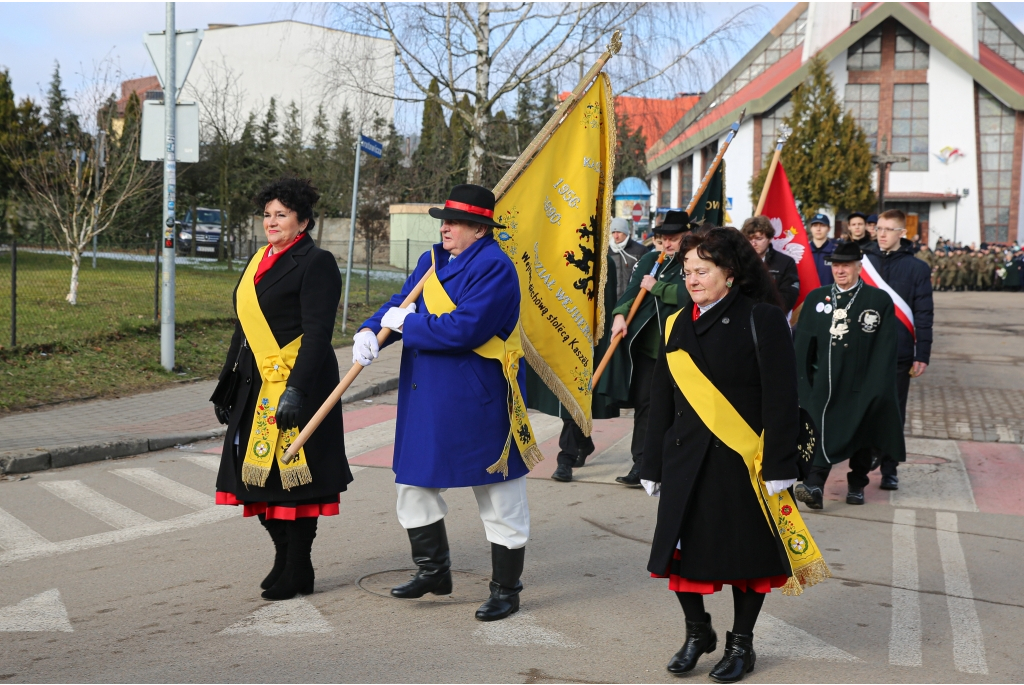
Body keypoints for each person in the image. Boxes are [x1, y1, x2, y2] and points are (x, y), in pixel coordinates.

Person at [356, 184, 539, 622]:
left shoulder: (497, 267)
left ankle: (506, 590)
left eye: (454, 222)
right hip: (428, 397)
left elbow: (465, 329)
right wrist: (372, 327)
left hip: (479, 398)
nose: (445, 227)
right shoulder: (431, 259)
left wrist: (410, 325)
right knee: (414, 484)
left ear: (479, 229)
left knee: (500, 496)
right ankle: (433, 571)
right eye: (443, 220)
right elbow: (403, 301)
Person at [640, 227, 809, 683]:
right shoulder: (676, 322)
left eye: (702, 270)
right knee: (678, 554)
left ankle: (741, 645)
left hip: (740, 460)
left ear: (730, 274)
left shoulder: (762, 319)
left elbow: (782, 396)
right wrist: (649, 462)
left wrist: (779, 463)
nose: (691, 279)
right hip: (685, 459)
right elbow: (660, 400)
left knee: (746, 561)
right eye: (687, 271)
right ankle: (699, 633)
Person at [212, 177, 352, 601]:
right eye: (267, 214)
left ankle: (298, 566)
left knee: (295, 480)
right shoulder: (257, 260)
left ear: (303, 221)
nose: (271, 222)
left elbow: (317, 334)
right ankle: (284, 556)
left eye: (282, 215)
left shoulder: (317, 262)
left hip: (299, 384)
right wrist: (226, 382)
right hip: (255, 384)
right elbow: (243, 329)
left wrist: (296, 391)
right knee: (254, 478)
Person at [793, 242, 906, 509]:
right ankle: (814, 485)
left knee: (861, 434)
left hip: (862, 383)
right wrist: (802, 385)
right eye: (836, 265)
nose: (840, 270)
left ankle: (857, 483)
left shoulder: (877, 301)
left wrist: (877, 388)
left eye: (846, 265)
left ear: (859, 266)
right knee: (820, 432)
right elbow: (802, 348)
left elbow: (885, 349)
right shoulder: (816, 298)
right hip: (825, 383)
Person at [606, 210, 691, 487]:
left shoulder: (696, 262)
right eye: (663, 238)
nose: (667, 244)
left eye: (674, 238)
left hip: (681, 349)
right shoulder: (649, 259)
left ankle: (676, 465)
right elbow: (631, 291)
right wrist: (619, 314)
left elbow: (686, 296)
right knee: (645, 406)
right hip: (647, 351)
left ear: (687, 236)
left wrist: (657, 288)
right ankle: (641, 464)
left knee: (681, 408)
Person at [862, 209, 933, 490]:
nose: (881, 234)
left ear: (902, 233)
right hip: (864, 351)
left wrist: (922, 354)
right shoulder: (862, 262)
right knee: (864, 410)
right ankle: (861, 466)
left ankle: (890, 468)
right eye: (878, 228)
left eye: (888, 229)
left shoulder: (917, 269)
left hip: (899, 353)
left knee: (894, 413)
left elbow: (924, 313)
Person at [741, 215, 800, 313]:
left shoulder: (786, 262)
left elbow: (788, 297)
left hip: (772, 318)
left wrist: (766, 314)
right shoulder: (738, 262)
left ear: (770, 238)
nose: (753, 243)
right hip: (743, 318)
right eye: (749, 239)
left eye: (759, 239)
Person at [608, 216, 652, 300]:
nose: (616, 236)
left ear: (625, 232)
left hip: (634, 299)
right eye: (613, 232)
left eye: (619, 232)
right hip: (613, 299)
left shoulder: (640, 250)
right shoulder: (607, 252)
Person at [808, 213, 838, 286]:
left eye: (822, 225)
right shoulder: (803, 252)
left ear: (829, 229)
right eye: (815, 226)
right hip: (807, 295)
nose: (818, 229)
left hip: (829, 295)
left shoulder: (836, 251)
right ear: (810, 228)